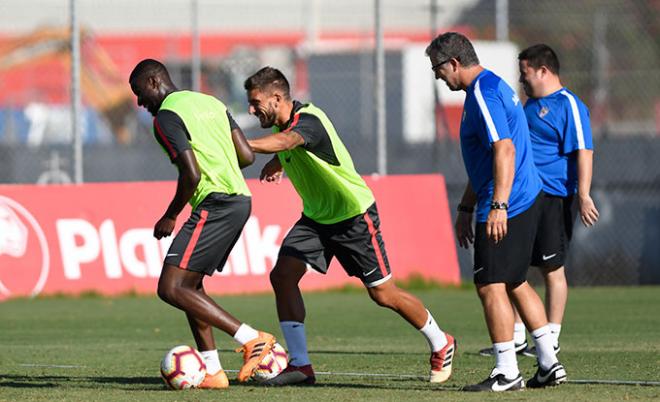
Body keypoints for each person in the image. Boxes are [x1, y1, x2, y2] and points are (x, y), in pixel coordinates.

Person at [243, 66, 456, 386]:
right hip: (316, 219)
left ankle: (441, 342)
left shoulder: (308, 121)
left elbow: (290, 141)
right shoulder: (286, 125)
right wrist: (276, 162)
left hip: (353, 216)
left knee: (383, 294)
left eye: (255, 102)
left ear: (276, 98)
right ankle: (300, 365)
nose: (251, 109)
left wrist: (244, 145)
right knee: (283, 275)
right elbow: (288, 146)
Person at [425, 33, 566, 391]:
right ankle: (549, 363)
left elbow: (503, 150)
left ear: (454, 63)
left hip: (509, 202)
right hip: (522, 195)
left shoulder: (482, 94)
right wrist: (466, 206)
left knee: (489, 285)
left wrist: (499, 206)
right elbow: (487, 160)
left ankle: (506, 371)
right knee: (516, 282)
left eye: (438, 69)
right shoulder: (494, 86)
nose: (438, 76)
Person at [128, 59, 276, 389]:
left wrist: (171, 214)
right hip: (239, 198)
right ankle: (212, 370)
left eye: (139, 94)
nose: (140, 103)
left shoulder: (166, 117)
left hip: (216, 202)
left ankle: (252, 339)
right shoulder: (210, 102)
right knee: (189, 287)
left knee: (170, 287)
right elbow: (246, 156)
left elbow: (191, 174)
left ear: (154, 83)